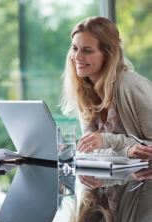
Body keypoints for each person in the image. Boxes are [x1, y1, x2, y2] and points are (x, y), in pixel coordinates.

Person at [59, 16, 152, 160]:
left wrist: (107, 141)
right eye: (74, 48)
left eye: (87, 50)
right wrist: (126, 151)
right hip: (110, 179)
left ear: (108, 55)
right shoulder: (84, 89)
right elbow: (91, 151)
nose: (77, 57)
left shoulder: (134, 86)